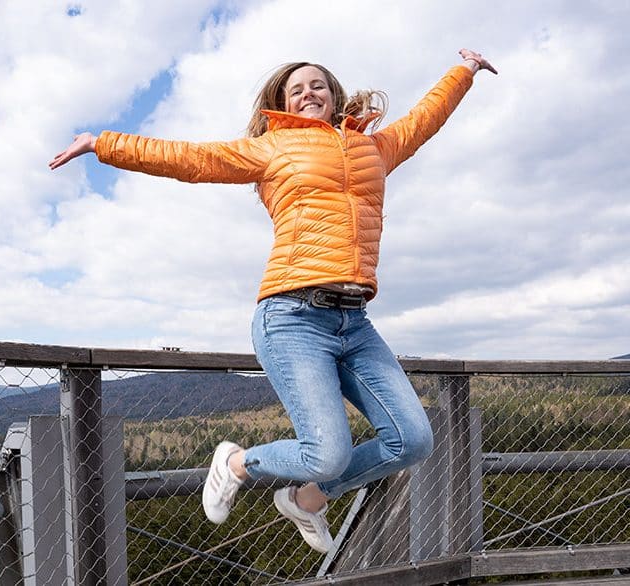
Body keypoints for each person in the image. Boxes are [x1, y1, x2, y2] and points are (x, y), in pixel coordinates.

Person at [50, 48, 497, 554]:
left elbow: (424, 119)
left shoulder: (375, 148)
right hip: (293, 316)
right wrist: (104, 144)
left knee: (412, 440)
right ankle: (236, 463)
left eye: (317, 86)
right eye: (296, 90)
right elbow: (191, 159)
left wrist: (464, 72)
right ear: (282, 105)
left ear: (334, 95)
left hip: (355, 320)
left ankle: (306, 500)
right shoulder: (273, 149)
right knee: (326, 452)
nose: (308, 93)